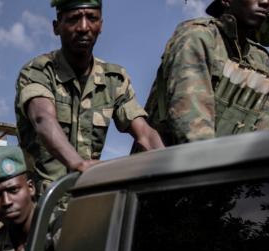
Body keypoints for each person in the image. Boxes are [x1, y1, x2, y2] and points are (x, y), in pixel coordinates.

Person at [15, 0, 163, 192]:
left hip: (86, 198)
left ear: (101, 25)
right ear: (56, 27)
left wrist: (167, 164)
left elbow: (144, 133)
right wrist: (79, 164)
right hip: (43, 205)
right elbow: (43, 118)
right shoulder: (38, 72)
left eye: (92, 18)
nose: (84, 27)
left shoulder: (114, 80)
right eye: (74, 19)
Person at [145, 0, 269, 146]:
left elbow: (262, 126)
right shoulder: (198, 35)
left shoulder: (259, 58)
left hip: (226, 161)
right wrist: (212, 162)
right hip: (169, 160)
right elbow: (191, 120)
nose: (265, 2)